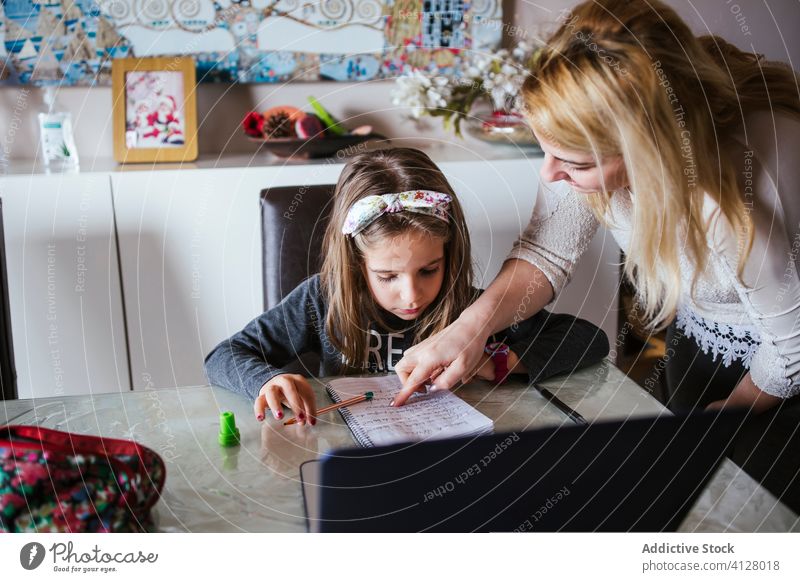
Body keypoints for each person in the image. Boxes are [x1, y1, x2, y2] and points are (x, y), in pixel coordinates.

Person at [393, 0, 800, 509]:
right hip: (701, 334)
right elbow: (547, 249)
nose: (549, 174)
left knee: (760, 513)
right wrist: (465, 332)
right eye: (546, 150)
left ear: (648, 152)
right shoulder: (591, 135)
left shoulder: (728, 201)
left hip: (785, 361)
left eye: (572, 162)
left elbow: (792, 345)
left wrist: (729, 411)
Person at [204, 148, 609, 424]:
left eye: (429, 270)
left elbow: (589, 338)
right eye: (387, 277)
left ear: (449, 254)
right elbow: (223, 355)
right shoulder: (321, 299)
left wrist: (495, 363)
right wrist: (266, 380)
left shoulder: (467, 307)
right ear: (355, 261)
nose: (412, 295)